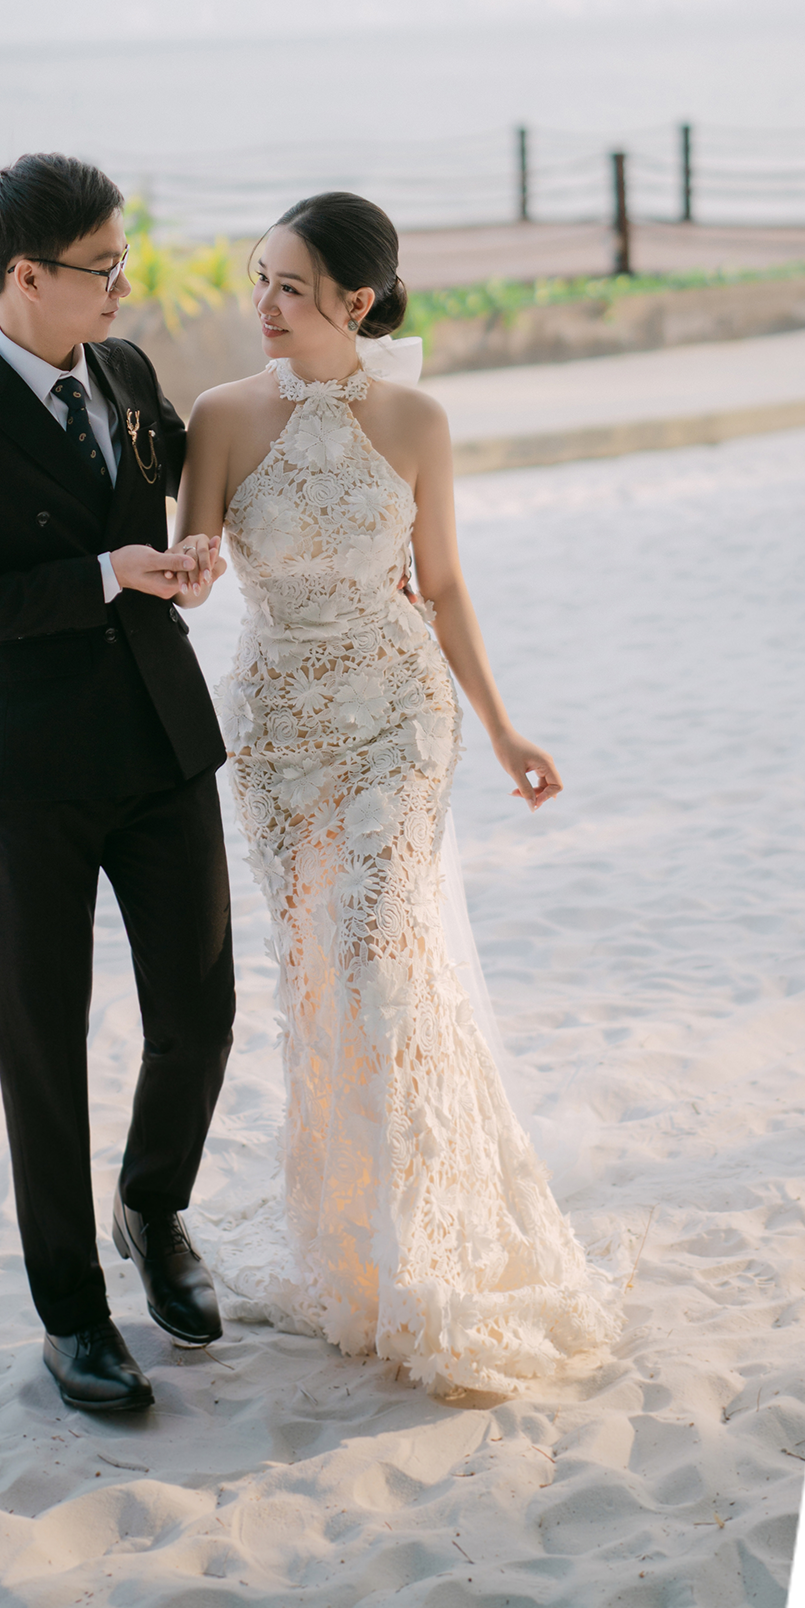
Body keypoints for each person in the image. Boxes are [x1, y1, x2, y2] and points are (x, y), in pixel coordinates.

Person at [175, 191, 617, 1396]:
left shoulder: (418, 419)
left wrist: (506, 729)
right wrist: (183, 567)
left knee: (382, 958)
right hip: (277, 725)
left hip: (397, 716)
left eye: (289, 286)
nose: (264, 305)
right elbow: (197, 570)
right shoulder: (219, 415)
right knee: (318, 974)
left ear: (355, 300)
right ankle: (350, 1246)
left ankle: (430, 1244)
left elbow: (446, 583)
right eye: (260, 279)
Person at [0, 153, 234, 1417]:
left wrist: (194, 554)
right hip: (27, 772)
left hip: (160, 738)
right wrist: (103, 571)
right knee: (45, 1044)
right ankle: (74, 1315)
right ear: (25, 275)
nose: (123, 286)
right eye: (101, 267)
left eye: (123, 259)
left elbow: (195, 484)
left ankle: (152, 1203)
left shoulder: (127, 370)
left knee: (200, 1012)